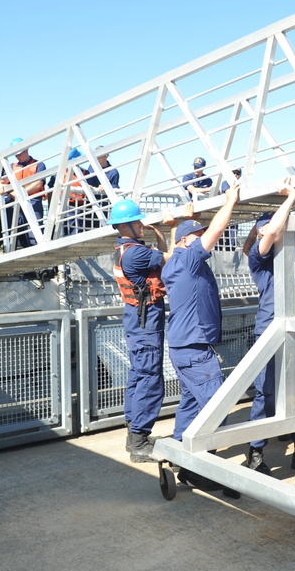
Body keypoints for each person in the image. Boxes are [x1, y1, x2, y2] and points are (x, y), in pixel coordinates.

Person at [161, 179, 240, 488]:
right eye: (195, 237)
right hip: (193, 348)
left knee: (192, 404)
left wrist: (177, 225)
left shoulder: (176, 261)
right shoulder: (189, 259)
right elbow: (215, 232)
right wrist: (229, 201)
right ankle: (201, 469)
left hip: (185, 347)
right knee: (215, 406)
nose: (201, 241)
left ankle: (181, 453)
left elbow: (176, 244)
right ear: (186, 243)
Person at [241, 180, 295, 474]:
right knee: (266, 392)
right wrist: (288, 199)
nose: (284, 234)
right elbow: (273, 230)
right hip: (270, 330)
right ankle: (256, 451)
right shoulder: (259, 257)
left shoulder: (290, 248)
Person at [107, 198, 171, 462]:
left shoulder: (124, 250)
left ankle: (133, 435)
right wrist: (172, 226)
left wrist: (157, 232)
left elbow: (161, 258)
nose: (142, 225)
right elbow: (171, 257)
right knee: (150, 379)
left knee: (138, 375)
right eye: (138, 222)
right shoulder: (137, 253)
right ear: (126, 226)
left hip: (136, 319)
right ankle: (139, 443)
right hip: (146, 321)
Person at [0, 138, 46, 250]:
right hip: (16, 203)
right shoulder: (11, 167)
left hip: (33, 201)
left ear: (26, 150)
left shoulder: (39, 165)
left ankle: (43, 266)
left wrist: (21, 193)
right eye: (16, 155)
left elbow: (38, 184)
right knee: (18, 235)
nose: (18, 157)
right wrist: (1, 186)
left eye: (20, 154)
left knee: (35, 235)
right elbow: (2, 181)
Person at [86, 146, 119, 229]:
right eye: (95, 155)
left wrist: (106, 186)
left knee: (101, 227)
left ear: (106, 156)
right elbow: (88, 183)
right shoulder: (91, 167)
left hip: (104, 207)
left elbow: (115, 190)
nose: (97, 158)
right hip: (89, 205)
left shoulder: (113, 172)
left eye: (99, 155)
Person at [217, 168, 242, 250]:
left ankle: (231, 261)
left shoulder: (240, 185)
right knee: (220, 240)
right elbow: (231, 196)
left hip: (234, 217)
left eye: (237, 174)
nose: (235, 175)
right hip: (224, 215)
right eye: (234, 173)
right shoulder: (226, 183)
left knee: (232, 242)